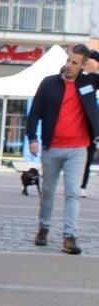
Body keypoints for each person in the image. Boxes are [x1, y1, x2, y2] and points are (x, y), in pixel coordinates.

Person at [26, 43, 99, 255]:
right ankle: (43, 229)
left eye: (75, 62)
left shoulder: (89, 82)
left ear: (84, 65)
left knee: (73, 193)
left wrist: (93, 54)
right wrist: (32, 138)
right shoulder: (49, 83)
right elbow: (35, 112)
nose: (69, 65)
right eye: (68, 60)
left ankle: (69, 237)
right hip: (52, 148)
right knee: (47, 191)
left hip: (78, 149)